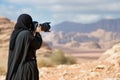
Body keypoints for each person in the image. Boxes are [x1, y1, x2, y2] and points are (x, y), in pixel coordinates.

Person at [6, 14, 42, 80]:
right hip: (27, 69)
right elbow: (37, 44)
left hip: (16, 69)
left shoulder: (15, 34)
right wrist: (38, 33)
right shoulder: (27, 34)